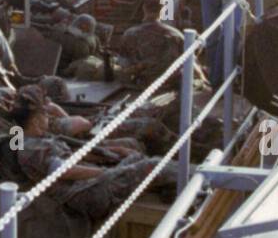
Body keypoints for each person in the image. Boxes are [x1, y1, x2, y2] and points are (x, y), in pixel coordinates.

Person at [10, 90, 177, 221]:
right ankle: (196, 181)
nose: (48, 118)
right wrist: (105, 172)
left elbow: (74, 156)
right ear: (36, 120)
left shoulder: (40, 138)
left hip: (88, 184)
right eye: (45, 115)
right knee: (152, 166)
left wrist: (113, 154)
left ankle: (173, 185)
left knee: (135, 158)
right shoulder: (31, 147)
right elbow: (63, 170)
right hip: (85, 194)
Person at [118, 0, 189, 88]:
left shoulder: (129, 34)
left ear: (144, 8)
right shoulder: (176, 35)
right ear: (164, 10)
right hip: (170, 85)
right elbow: (187, 64)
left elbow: (124, 64)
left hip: (141, 86)